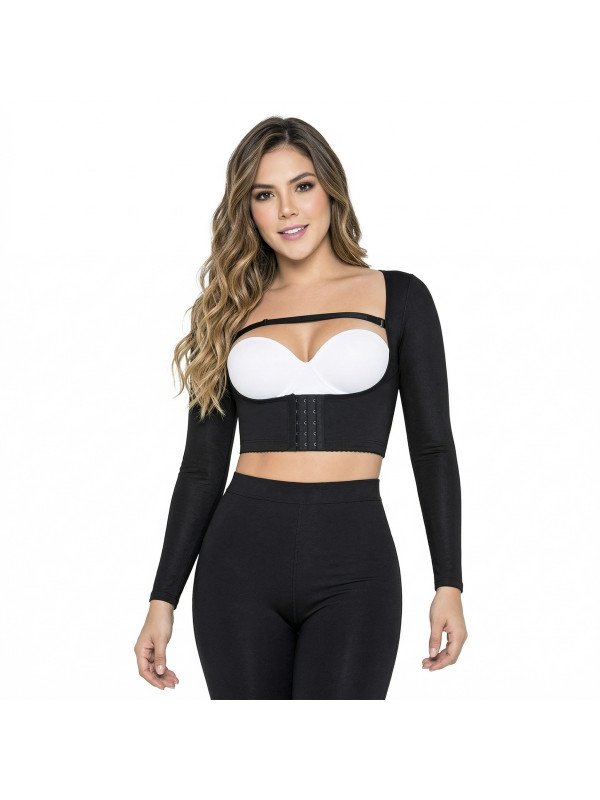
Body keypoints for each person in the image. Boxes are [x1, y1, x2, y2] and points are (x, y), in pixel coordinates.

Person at [134, 116, 468, 699]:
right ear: (248, 210)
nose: (287, 209)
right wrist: (162, 599)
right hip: (238, 561)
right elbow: (201, 469)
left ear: (331, 190)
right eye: (264, 194)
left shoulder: (401, 296)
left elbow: (433, 447)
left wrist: (449, 583)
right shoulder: (229, 309)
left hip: (355, 562)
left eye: (302, 186)